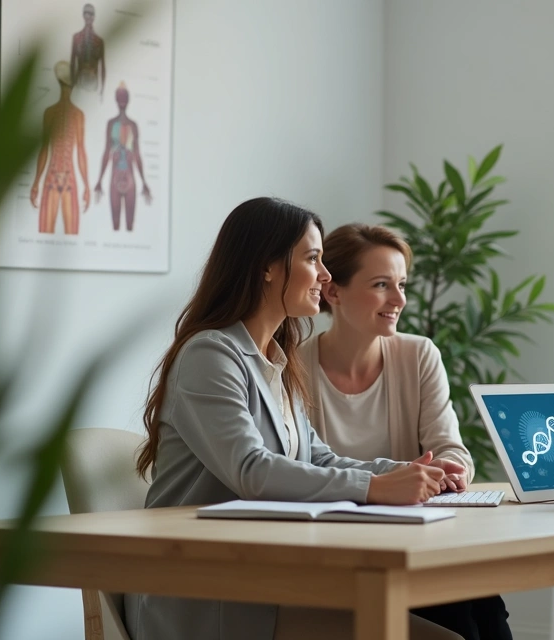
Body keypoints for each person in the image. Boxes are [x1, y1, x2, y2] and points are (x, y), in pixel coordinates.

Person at [126, 199, 465, 640]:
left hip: (268, 579)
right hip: (209, 594)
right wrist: (377, 487)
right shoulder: (210, 355)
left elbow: (319, 458)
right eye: (312, 258)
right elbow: (251, 470)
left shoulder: (277, 361)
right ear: (267, 267)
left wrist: (410, 472)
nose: (325, 276)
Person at [298, 223, 514, 640]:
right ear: (333, 292)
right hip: (332, 546)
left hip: (414, 539)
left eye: (401, 285)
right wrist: (390, 480)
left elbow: (450, 446)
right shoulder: (291, 366)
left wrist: (450, 469)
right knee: (461, 608)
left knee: (481, 600)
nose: (399, 300)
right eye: (381, 285)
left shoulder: (418, 354)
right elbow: (298, 467)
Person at [29, 61, 90, 234]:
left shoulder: (56, 113)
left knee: (61, 233)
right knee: (54, 233)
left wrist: (36, 183)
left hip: (55, 178)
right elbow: (79, 151)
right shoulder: (71, 114)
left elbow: (45, 150)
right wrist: (86, 185)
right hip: (64, 178)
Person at [93, 81, 151, 231]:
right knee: (115, 225)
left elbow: (137, 153)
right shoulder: (111, 124)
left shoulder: (133, 125)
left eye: (124, 96)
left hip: (130, 177)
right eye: (120, 96)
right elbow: (107, 151)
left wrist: (144, 181)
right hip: (115, 177)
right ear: (116, 99)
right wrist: (99, 180)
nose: (122, 99)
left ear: (128, 98)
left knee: (130, 224)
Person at [70, 3, 106, 98]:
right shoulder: (76, 38)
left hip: (93, 85)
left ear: (94, 17)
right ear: (83, 15)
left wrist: (102, 89)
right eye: (87, 13)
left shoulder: (99, 41)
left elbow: (103, 66)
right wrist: (72, 85)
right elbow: (72, 64)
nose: (89, 16)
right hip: (78, 84)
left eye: (91, 14)